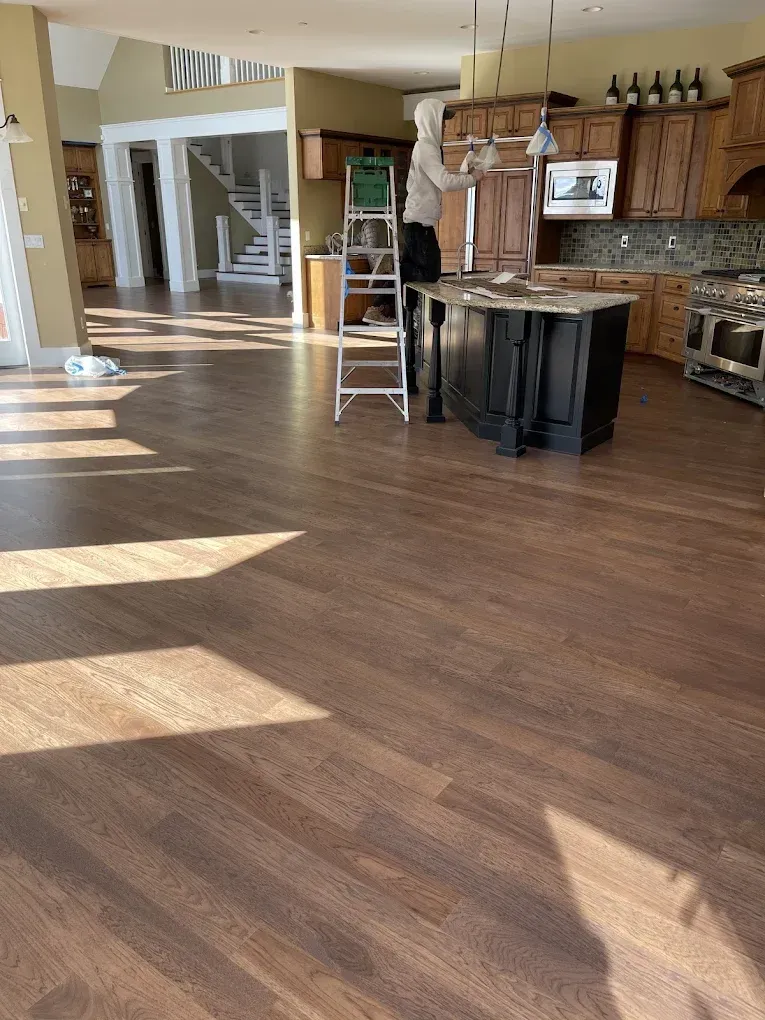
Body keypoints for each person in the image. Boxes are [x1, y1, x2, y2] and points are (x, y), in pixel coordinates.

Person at [363, 98, 482, 326]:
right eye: (442, 121)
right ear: (431, 120)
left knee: (420, 272)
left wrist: (465, 169)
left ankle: (389, 307)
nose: (445, 126)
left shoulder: (428, 147)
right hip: (419, 223)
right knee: (429, 273)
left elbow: (439, 180)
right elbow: (445, 183)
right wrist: (472, 179)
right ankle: (381, 300)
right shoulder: (426, 147)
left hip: (417, 222)